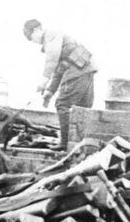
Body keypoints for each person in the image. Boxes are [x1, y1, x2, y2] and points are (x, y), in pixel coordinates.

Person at [23, 19, 97, 150]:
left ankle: (65, 143)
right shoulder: (57, 41)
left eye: (32, 37)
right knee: (82, 109)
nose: (34, 42)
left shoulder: (51, 35)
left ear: (37, 29)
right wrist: (50, 91)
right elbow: (59, 69)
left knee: (62, 104)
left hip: (77, 73)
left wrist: (44, 80)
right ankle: (79, 144)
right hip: (86, 72)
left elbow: (51, 60)